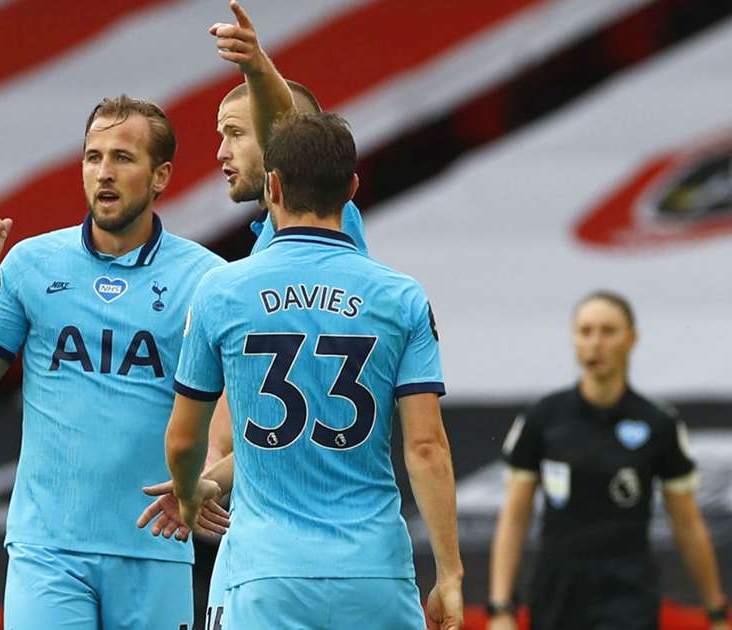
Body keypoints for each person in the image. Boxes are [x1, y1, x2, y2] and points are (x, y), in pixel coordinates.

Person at [164, 111, 464, 629]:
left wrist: (190, 490)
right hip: (374, 573)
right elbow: (426, 448)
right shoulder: (400, 297)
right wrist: (450, 574)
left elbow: (183, 441)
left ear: (272, 186)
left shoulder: (220, 291)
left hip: (266, 573)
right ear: (351, 188)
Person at [0, 95, 226, 629]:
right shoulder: (31, 263)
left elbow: (233, 401)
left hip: (154, 545)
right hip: (47, 547)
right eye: (93, 157)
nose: (104, 173)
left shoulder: (206, 279)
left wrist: (211, 471)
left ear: (161, 175)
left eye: (123, 157)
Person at [135, 3, 370, 627]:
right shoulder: (258, 260)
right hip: (235, 523)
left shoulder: (332, 231)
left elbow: (289, 135)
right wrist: (208, 481)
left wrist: (259, 67)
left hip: (290, 540)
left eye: (235, 132)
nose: (220, 151)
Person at [488, 291, 729, 630]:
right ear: (574, 338)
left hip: (628, 592)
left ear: (631, 338)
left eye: (607, 331)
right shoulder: (543, 418)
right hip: (557, 592)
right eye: (585, 331)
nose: (595, 343)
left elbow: (687, 525)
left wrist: (716, 612)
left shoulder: (658, 423)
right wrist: (500, 608)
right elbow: (514, 518)